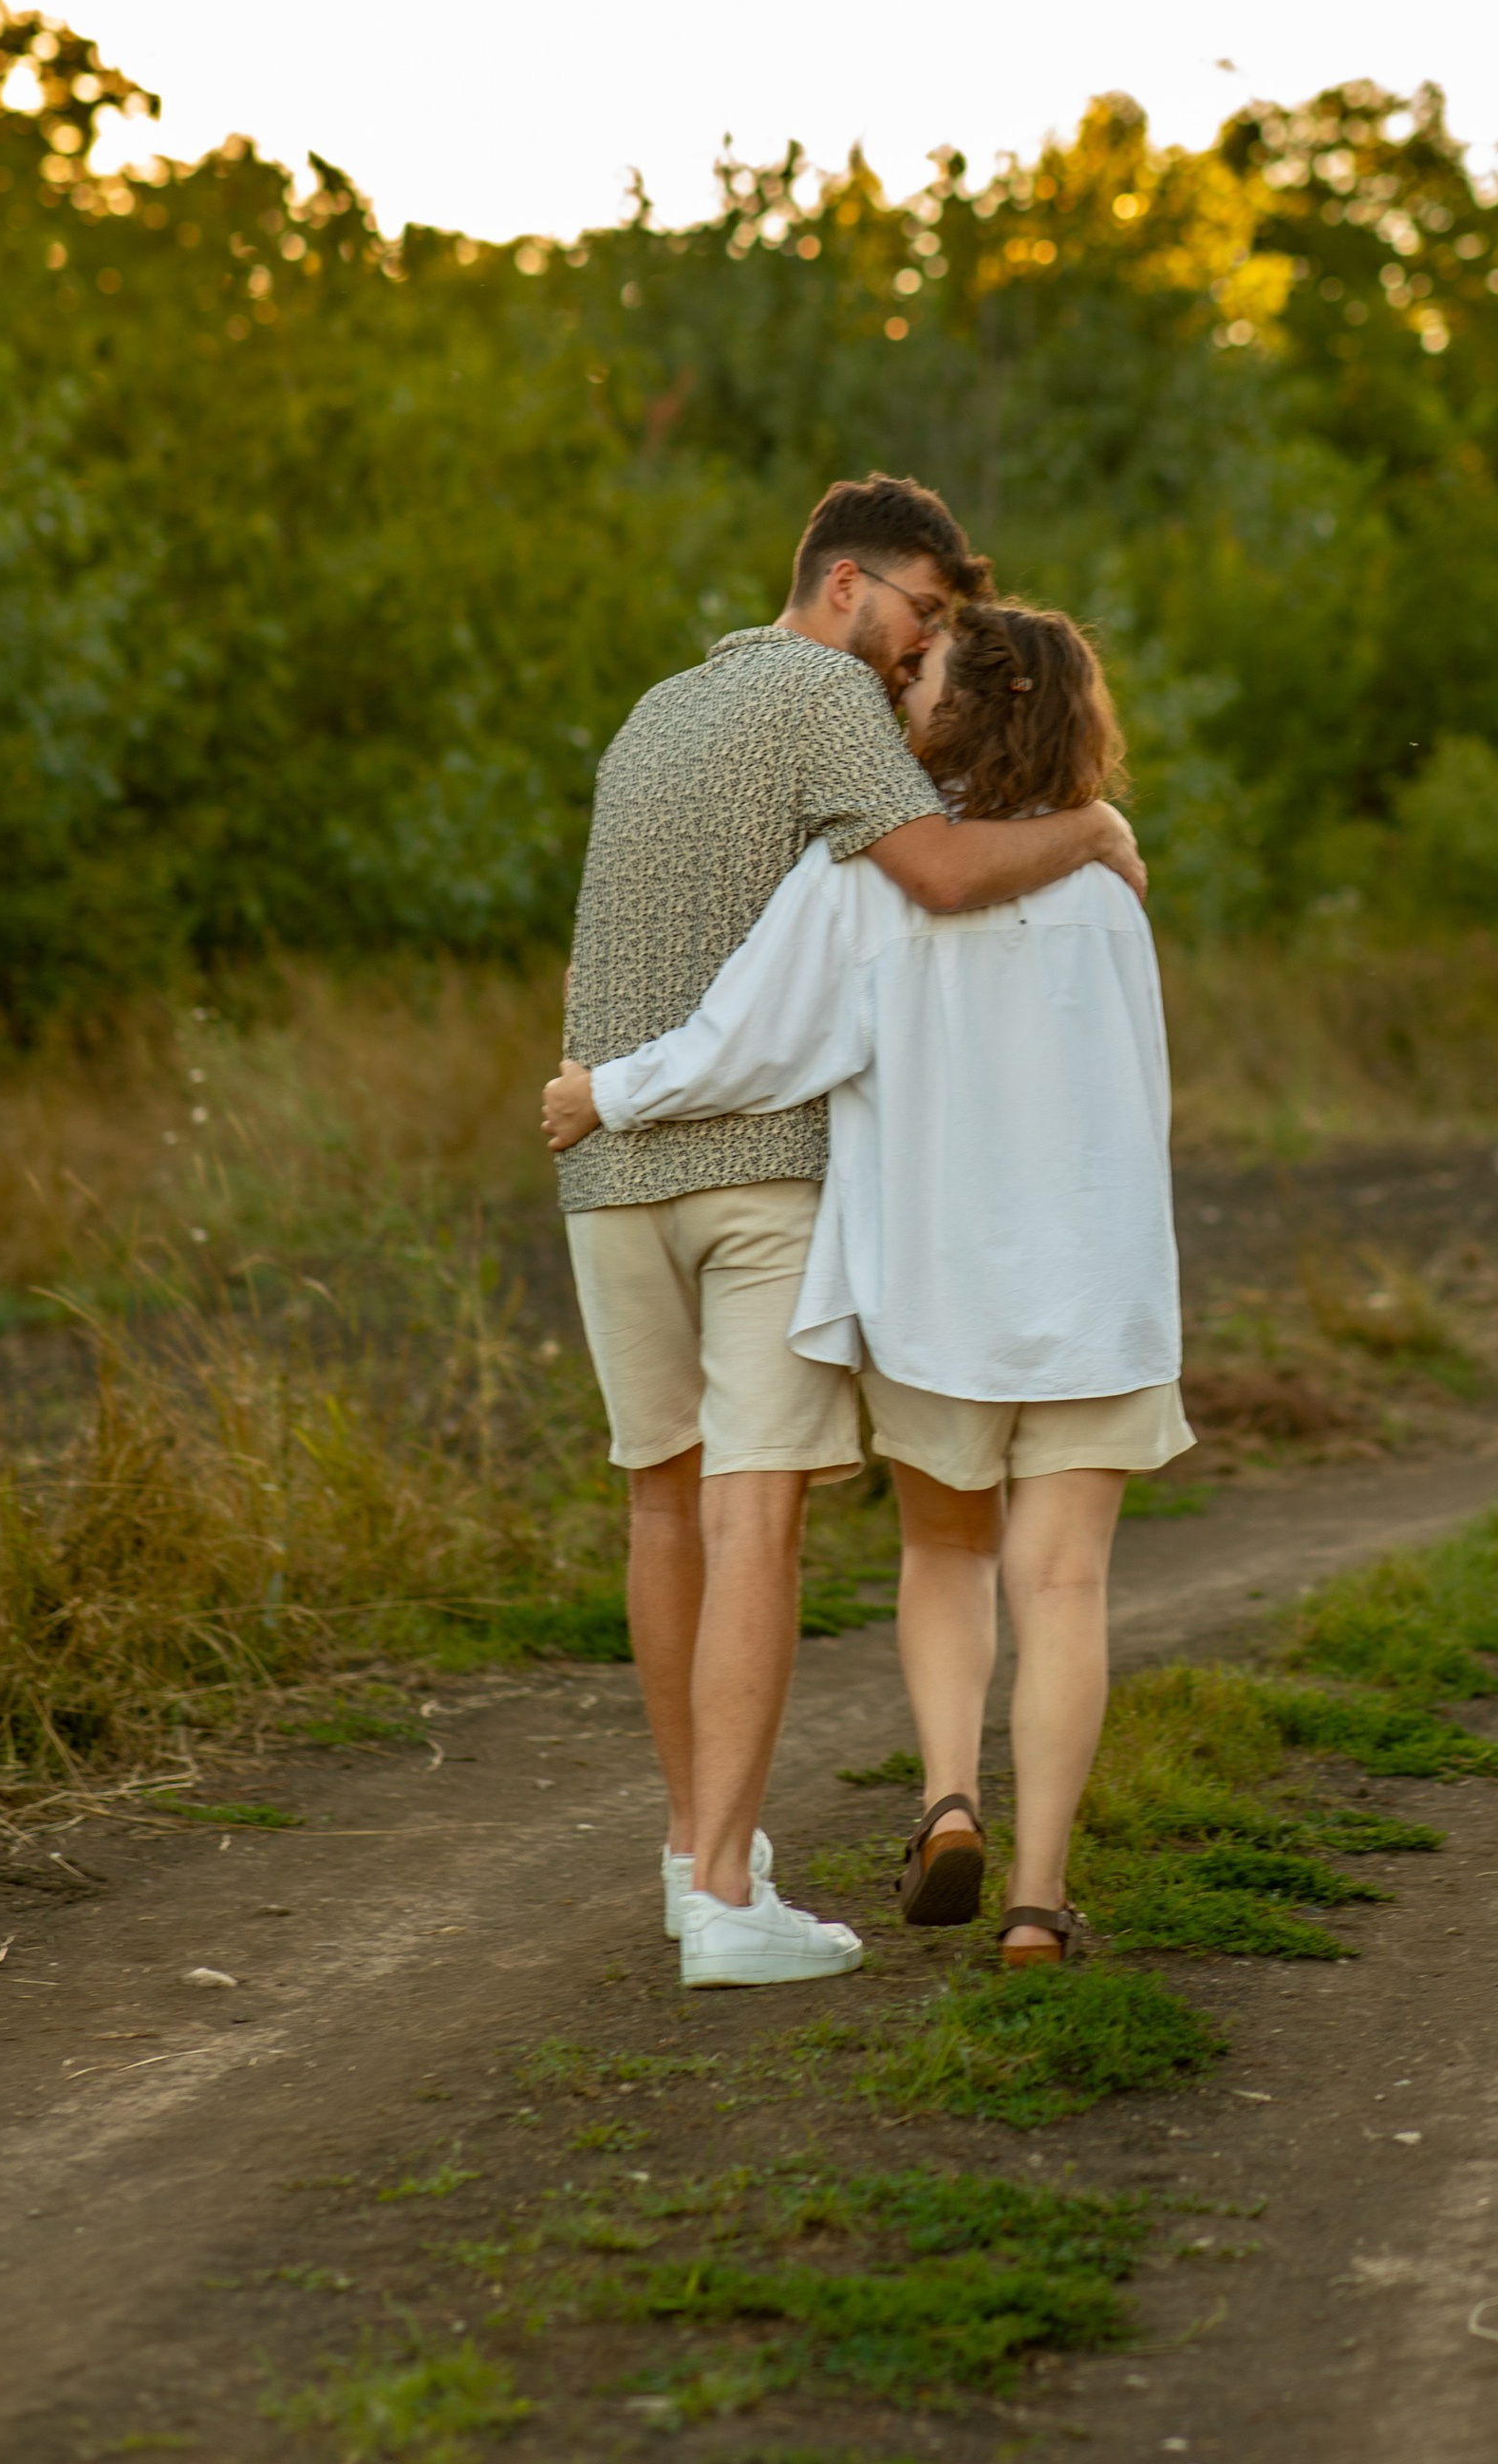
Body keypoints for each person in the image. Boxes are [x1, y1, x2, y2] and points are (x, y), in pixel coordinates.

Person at [554, 476, 1148, 1990]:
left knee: (667, 1509)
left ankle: (706, 1854)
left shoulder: (656, 713)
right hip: (774, 1176)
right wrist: (1093, 822)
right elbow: (942, 881)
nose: (913, 658)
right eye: (919, 614)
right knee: (775, 1520)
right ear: (845, 585)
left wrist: (600, 1096)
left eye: (938, 643)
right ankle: (752, 1893)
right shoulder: (837, 708)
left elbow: (752, 974)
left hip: (620, 1183)